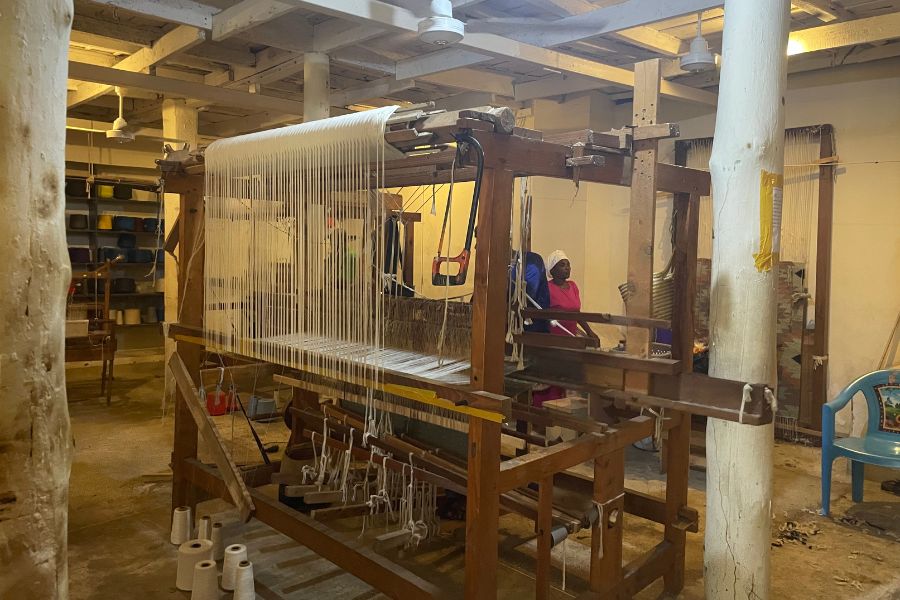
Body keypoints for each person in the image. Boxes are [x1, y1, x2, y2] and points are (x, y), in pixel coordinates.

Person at [545, 250, 599, 344]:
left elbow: (577, 313)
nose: (567, 268)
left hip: (572, 336)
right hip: (554, 338)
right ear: (552, 270)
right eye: (562, 265)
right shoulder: (547, 287)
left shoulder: (573, 286)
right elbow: (544, 313)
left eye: (568, 265)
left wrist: (590, 332)